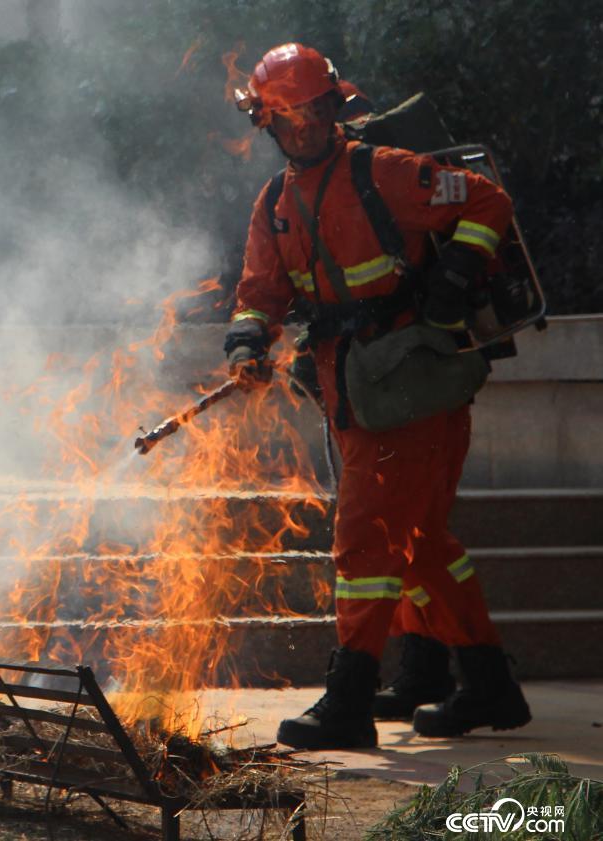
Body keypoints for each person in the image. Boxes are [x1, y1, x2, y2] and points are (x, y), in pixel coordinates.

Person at [224, 43, 531, 749]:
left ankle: (349, 698)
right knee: (420, 542)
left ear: (335, 108)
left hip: (412, 391)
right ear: (267, 124)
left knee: (365, 540)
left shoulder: (383, 173)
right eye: (285, 115)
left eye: (312, 109)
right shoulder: (274, 205)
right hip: (358, 392)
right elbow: (260, 293)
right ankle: (486, 683)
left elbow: (489, 200)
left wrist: (456, 270)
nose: (301, 125)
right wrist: (247, 342)